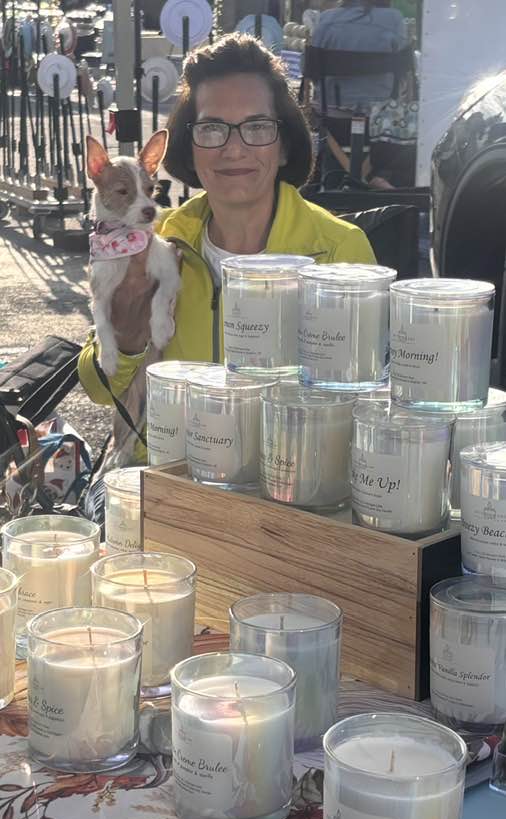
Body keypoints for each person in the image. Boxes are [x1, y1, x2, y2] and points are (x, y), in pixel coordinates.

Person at [78, 34, 375, 471]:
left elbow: (365, 407)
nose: (234, 148)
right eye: (212, 128)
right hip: (163, 477)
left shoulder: (337, 249)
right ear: (189, 147)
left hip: (289, 485)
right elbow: (97, 388)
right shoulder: (161, 239)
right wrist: (128, 327)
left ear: (285, 144)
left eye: (257, 127)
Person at [310, 0, 410, 188]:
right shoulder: (394, 19)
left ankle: (331, 182)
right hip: (381, 121)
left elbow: (310, 70)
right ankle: (379, 179)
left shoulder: (327, 20)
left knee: (324, 131)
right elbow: (405, 70)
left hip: (333, 119)